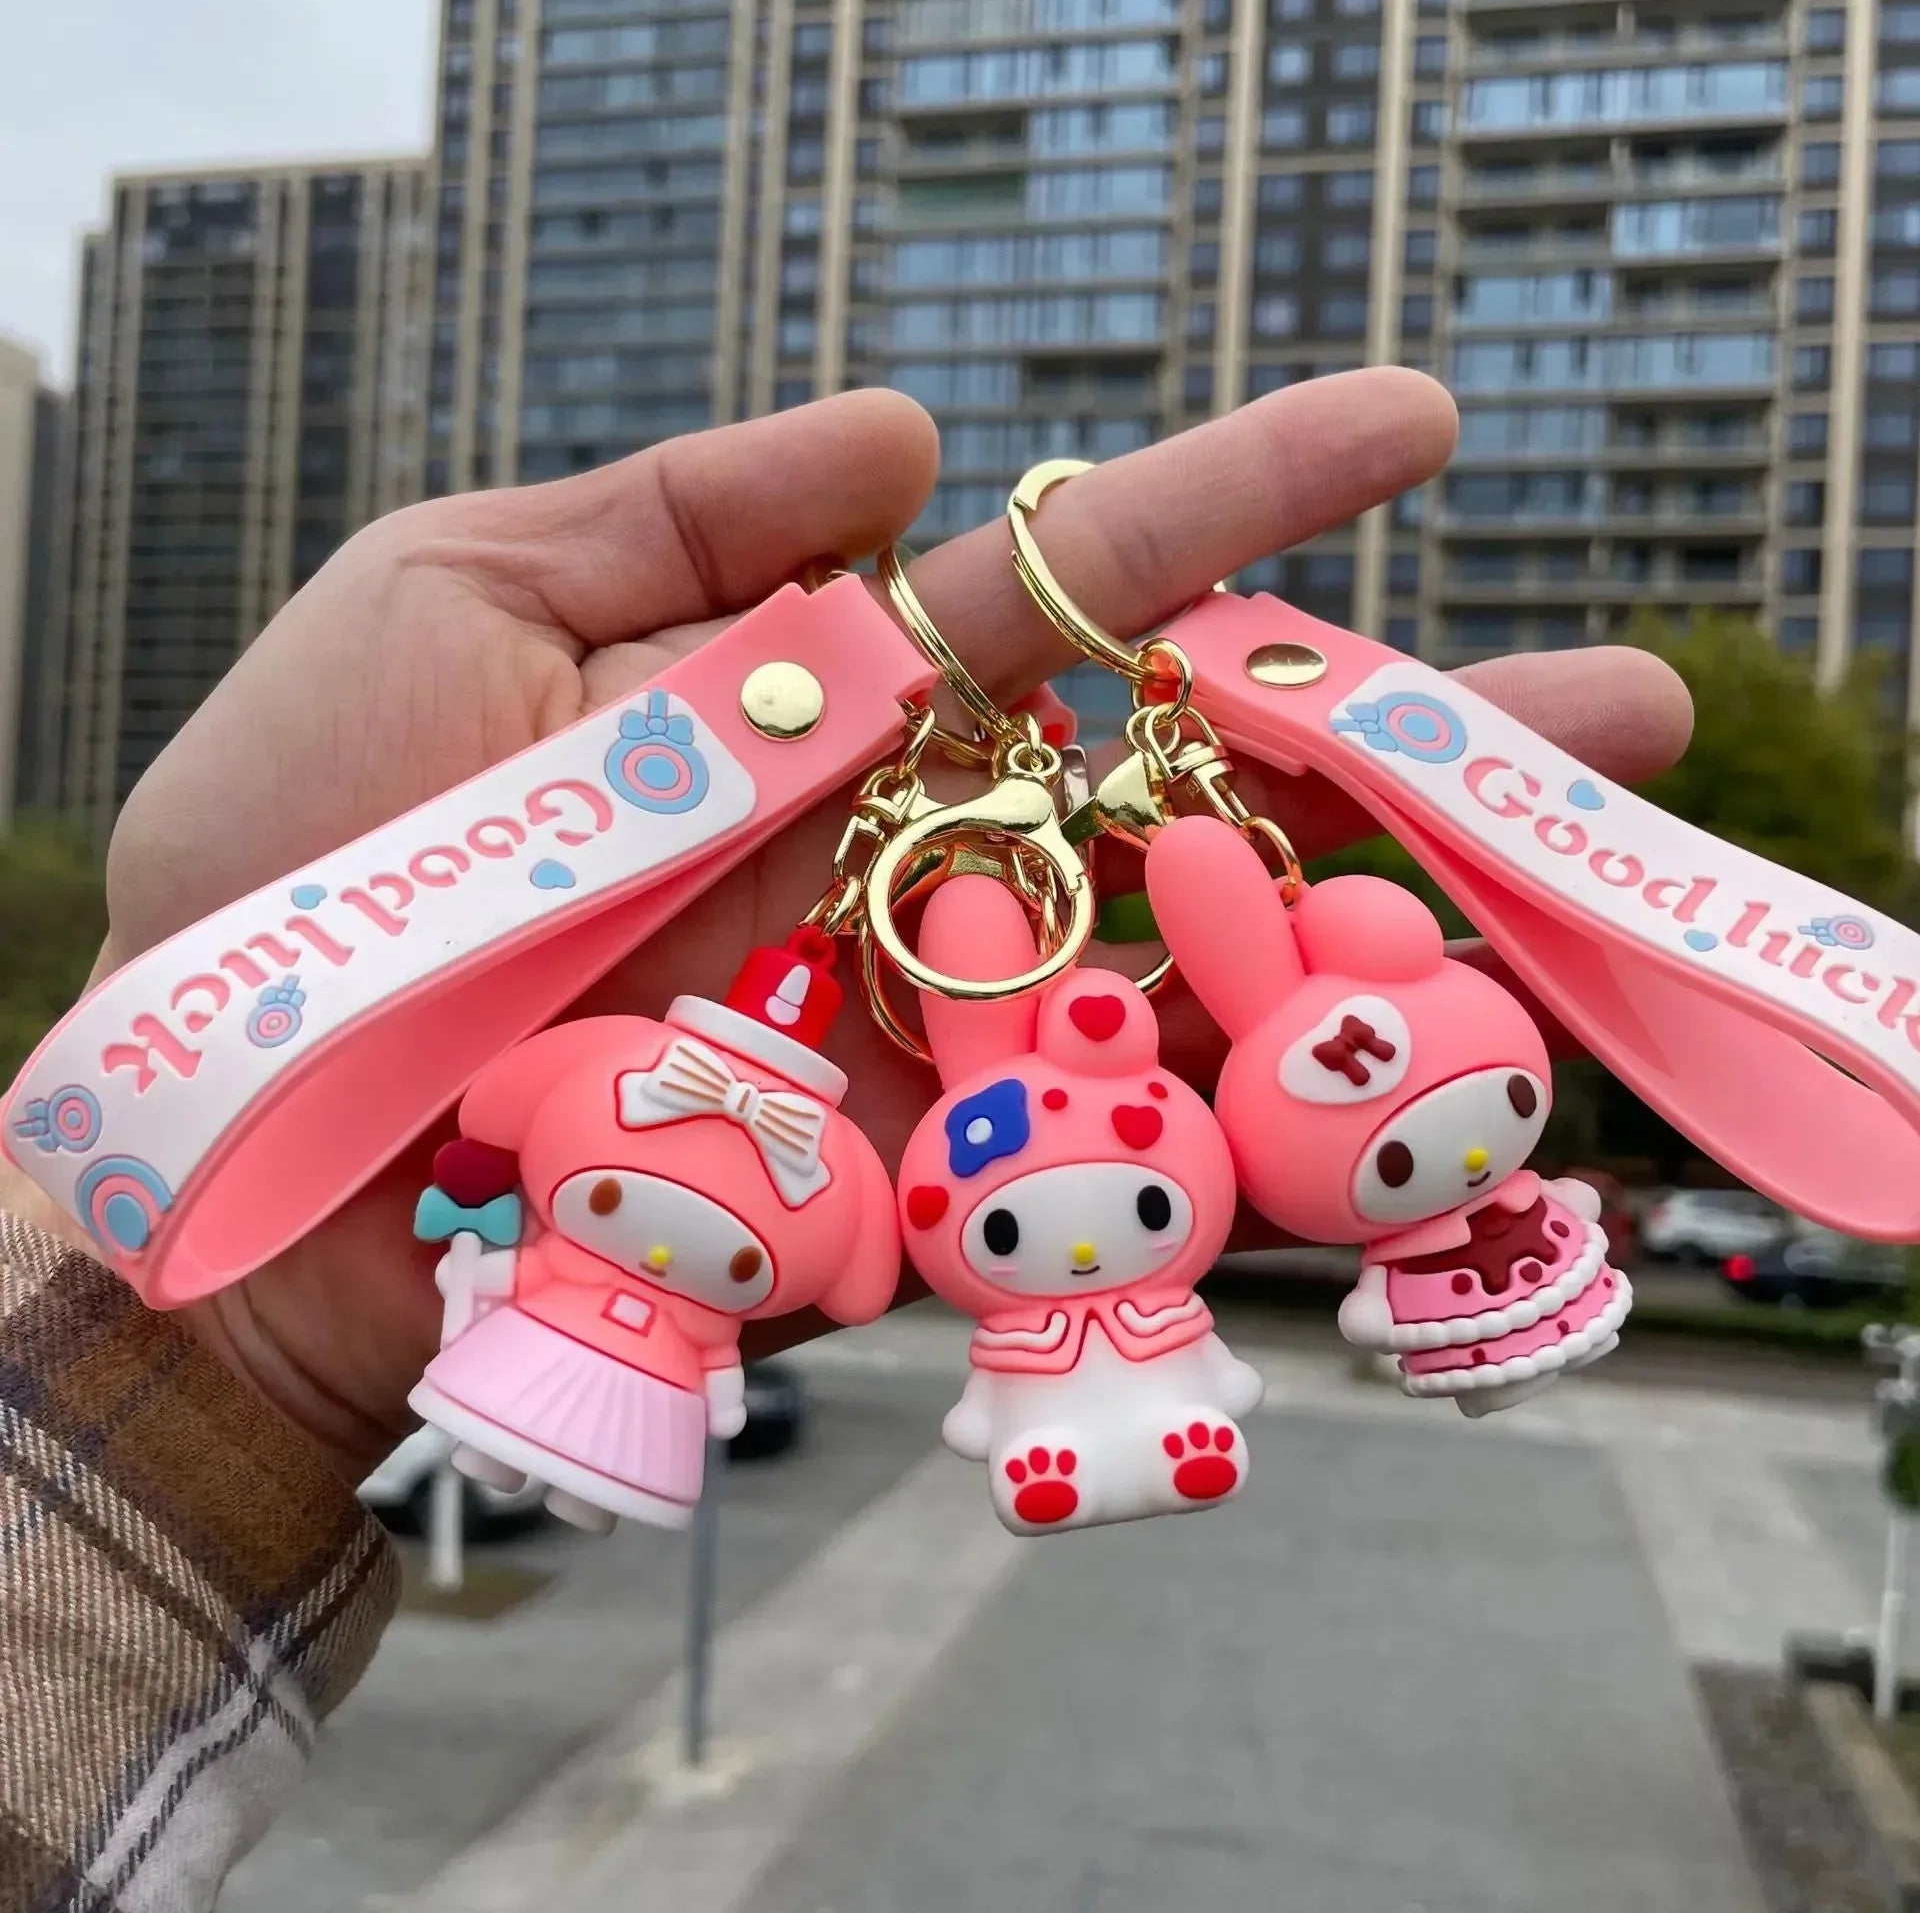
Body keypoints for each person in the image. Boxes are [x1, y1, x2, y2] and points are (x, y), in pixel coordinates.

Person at [0, 378, 1692, 1912]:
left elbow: (765, 1206)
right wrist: (386, 1205)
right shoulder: (777, 1138)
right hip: (614, 1312)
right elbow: (656, 1165)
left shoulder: (896, 1142)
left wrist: (340, 1272)